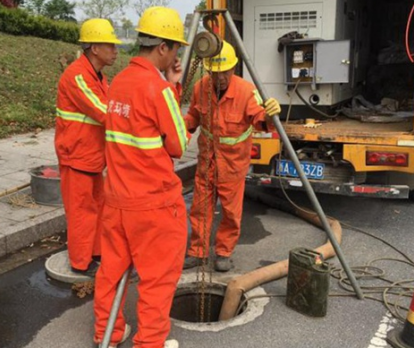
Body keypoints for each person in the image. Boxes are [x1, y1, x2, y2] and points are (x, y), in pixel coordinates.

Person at [93, 7, 190, 348]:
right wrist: (173, 88)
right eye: (176, 47)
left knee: (110, 274)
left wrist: (171, 85)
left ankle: (108, 334)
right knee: (157, 280)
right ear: (163, 47)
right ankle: (150, 343)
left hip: (118, 200)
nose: (176, 54)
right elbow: (178, 143)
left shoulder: (118, 82)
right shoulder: (158, 88)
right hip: (154, 205)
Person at [183, 40, 281, 272]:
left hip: (233, 164)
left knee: (230, 211)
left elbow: (259, 119)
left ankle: (223, 252)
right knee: (200, 208)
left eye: (224, 72)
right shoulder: (200, 88)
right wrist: (174, 130)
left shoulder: (247, 91)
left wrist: (269, 116)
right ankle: (197, 252)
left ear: (233, 69)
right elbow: (192, 119)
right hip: (207, 160)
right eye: (215, 73)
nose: (220, 78)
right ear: (208, 70)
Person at [55, 19, 121, 277]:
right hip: (77, 154)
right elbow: (105, 112)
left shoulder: (98, 76)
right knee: (82, 210)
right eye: (111, 45)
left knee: (97, 207)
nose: (115, 51)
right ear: (94, 47)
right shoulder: (77, 75)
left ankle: (95, 253)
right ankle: (80, 262)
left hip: (92, 155)